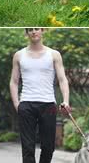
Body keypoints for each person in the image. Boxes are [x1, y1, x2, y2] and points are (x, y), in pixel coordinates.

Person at [9, 28, 71, 163]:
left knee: (48, 146)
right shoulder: (19, 55)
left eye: (36, 28)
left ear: (43, 31)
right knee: (27, 148)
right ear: (26, 33)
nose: (33, 32)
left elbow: (62, 79)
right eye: (30, 30)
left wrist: (65, 101)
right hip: (26, 104)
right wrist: (17, 104)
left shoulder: (54, 54)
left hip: (48, 104)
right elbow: (14, 82)